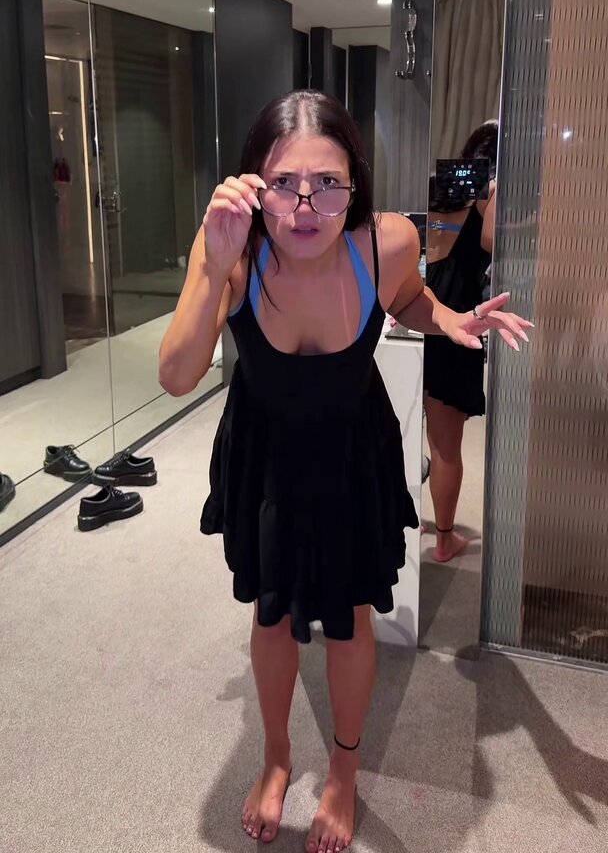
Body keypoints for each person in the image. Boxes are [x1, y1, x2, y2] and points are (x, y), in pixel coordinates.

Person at [159, 93, 530, 852]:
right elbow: (176, 375)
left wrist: (447, 319)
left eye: (327, 183)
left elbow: (411, 297)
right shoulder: (232, 246)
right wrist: (214, 263)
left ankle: (344, 771)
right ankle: (275, 757)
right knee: (269, 612)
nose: (306, 207)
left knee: (350, 616)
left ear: (355, 184)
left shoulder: (386, 243)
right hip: (265, 453)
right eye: (284, 183)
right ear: (254, 184)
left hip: (350, 452)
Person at [423, 121, 500, 563]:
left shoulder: (448, 182)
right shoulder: (491, 188)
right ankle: (445, 539)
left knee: (426, 429)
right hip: (457, 316)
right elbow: (490, 238)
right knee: (446, 445)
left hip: (425, 301)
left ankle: (427, 523)